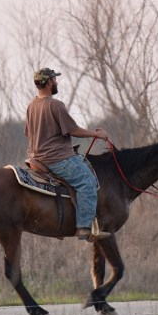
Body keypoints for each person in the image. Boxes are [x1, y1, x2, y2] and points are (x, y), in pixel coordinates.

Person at [25, 67, 111, 241]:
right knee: (87, 183)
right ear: (49, 82)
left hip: (36, 158)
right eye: (55, 79)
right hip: (57, 158)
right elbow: (73, 130)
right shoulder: (55, 105)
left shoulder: (32, 105)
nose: (57, 82)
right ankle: (85, 228)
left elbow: (29, 133)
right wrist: (97, 134)